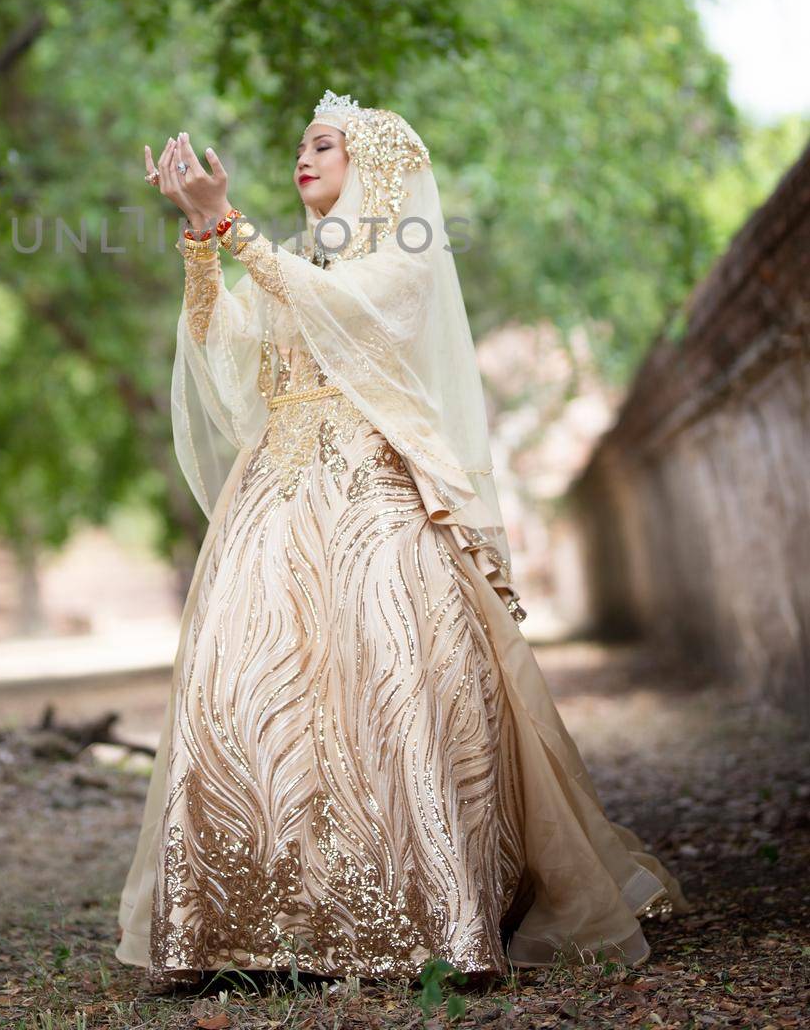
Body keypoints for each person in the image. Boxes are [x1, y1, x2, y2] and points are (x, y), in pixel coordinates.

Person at [115, 91, 686, 986]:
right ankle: (244, 925)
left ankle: (430, 921)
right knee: (242, 691)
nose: (304, 157)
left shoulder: (399, 261)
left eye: (325, 144)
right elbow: (222, 348)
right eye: (299, 145)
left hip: (376, 503)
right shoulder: (287, 262)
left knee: (391, 688)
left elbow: (341, 312)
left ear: (372, 167)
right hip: (271, 502)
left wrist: (231, 226)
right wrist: (199, 239)